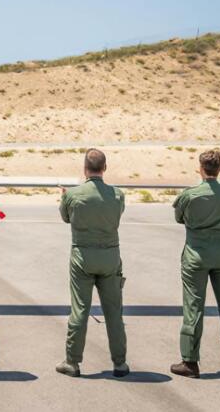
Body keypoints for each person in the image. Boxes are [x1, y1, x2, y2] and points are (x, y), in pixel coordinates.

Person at [170, 149, 220, 379]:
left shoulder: (190, 195)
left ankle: (190, 362)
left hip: (196, 255)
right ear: (219, 169)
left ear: (201, 168)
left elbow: (179, 217)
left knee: (194, 306)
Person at [55, 149, 129, 378]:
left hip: (83, 257)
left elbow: (66, 217)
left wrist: (66, 196)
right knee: (114, 313)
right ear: (104, 168)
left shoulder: (74, 195)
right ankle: (120, 363)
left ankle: (72, 361)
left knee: (79, 310)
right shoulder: (117, 195)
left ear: (85, 169)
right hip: (109, 257)